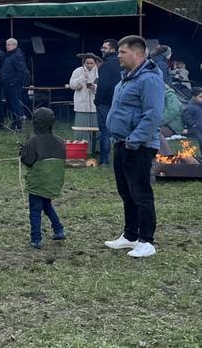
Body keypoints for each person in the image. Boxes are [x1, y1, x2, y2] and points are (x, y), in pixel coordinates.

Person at [104, 36, 164, 258]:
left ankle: (147, 240)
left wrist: (134, 141)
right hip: (121, 142)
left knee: (141, 193)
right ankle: (130, 235)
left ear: (138, 54)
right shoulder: (126, 79)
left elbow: (153, 114)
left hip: (138, 145)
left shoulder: (149, 80)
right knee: (126, 192)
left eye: (122, 52)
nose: (118, 56)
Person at [20, 107, 67, 249]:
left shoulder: (33, 142)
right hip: (53, 183)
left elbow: (28, 161)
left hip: (38, 184)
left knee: (35, 210)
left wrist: (23, 152)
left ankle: (36, 238)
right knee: (46, 205)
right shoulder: (60, 142)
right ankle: (58, 230)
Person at [95, 39, 121, 166]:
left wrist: (97, 101)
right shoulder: (123, 64)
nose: (102, 50)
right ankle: (119, 157)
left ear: (112, 50)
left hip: (105, 102)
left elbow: (102, 85)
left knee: (105, 131)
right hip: (120, 102)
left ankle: (104, 159)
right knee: (119, 130)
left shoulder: (106, 65)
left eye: (105, 48)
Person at [68, 53, 99, 153]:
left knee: (95, 128)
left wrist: (94, 87)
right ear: (84, 63)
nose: (89, 65)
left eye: (91, 63)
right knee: (81, 129)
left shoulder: (99, 72)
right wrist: (82, 78)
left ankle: (95, 149)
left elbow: (103, 86)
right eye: (87, 63)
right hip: (81, 105)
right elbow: (72, 85)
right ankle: (80, 148)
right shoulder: (78, 71)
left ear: (95, 63)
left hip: (94, 106)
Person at [0, 38, 29, 130]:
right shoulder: (8, 56)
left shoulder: (17, 56)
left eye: (9, 45)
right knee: (10, 104)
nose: (7, 46)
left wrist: (13, 82)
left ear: (14, 45)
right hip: (7, 84)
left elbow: (21, 72)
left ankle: (18, 124)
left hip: (14, 85)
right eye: (6, 44)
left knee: (15, 103)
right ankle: (14, 123)